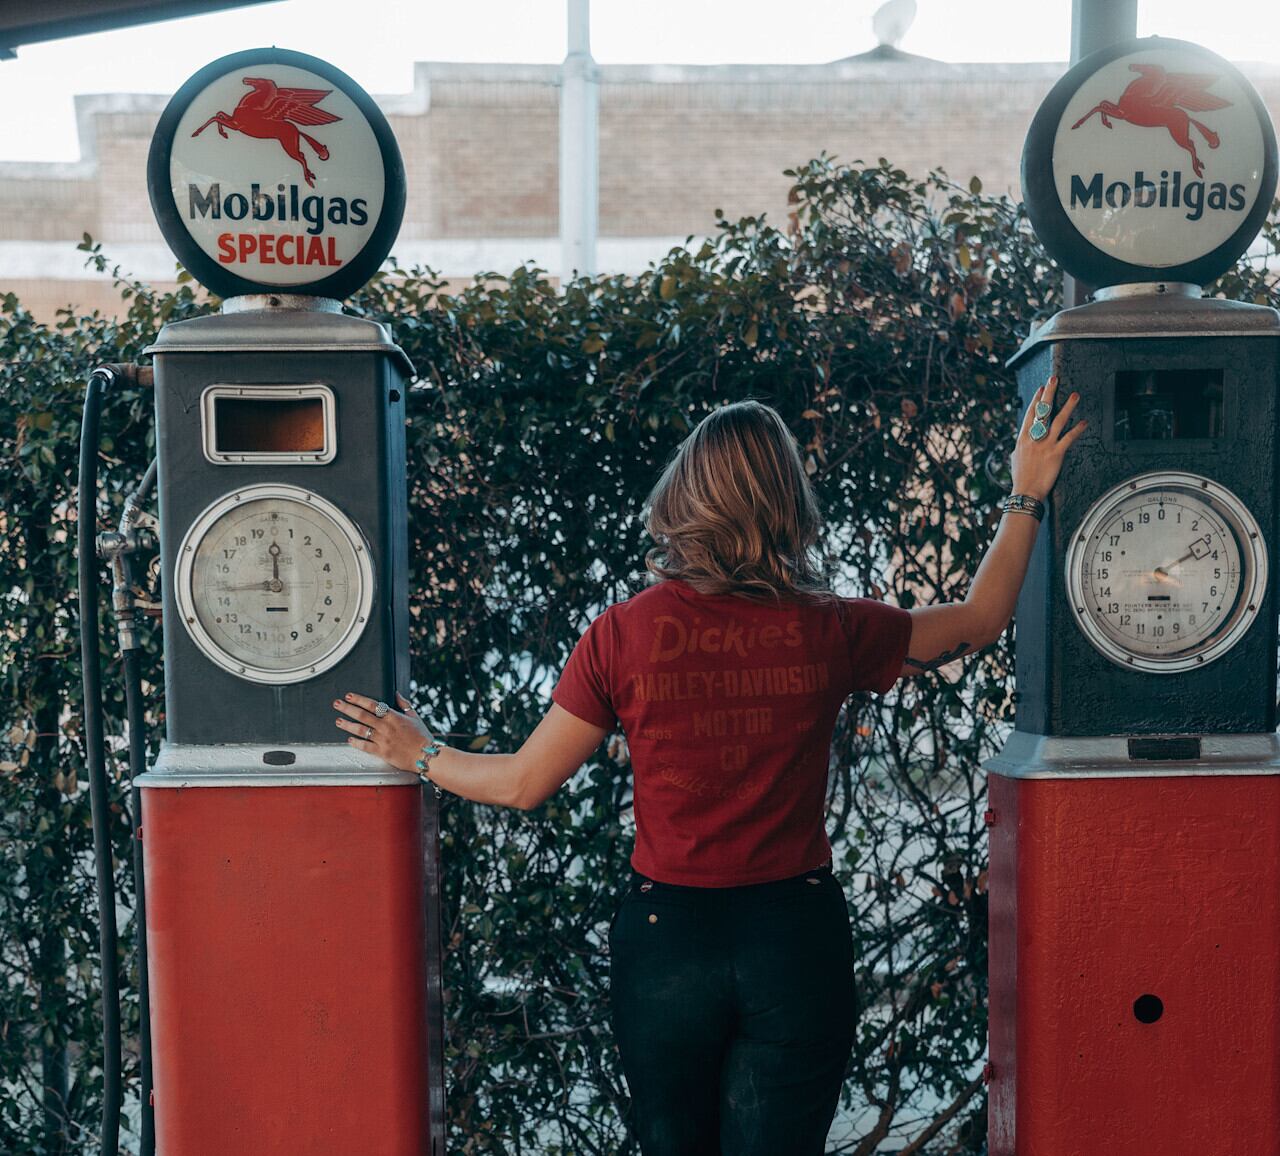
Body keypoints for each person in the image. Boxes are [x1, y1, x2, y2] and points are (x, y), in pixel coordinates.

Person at [332, 374, 1085, 1155]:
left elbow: (523, 784)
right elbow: (980, 620)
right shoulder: (832, 629)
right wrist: (1025, 493)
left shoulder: (622, 634)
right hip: (793, 937)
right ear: (785, 503)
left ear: (684, 501)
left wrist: (418, 751)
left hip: (668, 944)